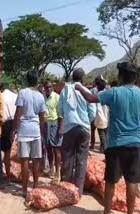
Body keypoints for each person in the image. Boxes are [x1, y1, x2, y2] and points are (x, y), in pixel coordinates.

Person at [75, 62, 140, 214]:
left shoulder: (114, 93)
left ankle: (107, 211)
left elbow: (90, 98)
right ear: (135, 78)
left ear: (121, 76)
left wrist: (79, 87)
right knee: (132, 181)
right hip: (135, 145)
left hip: (115, 145)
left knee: (110, 181)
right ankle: (130, 212)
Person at [58, 68, 96, 196]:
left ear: (72, 77)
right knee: (81, 160)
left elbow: (60, 110)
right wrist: (85, 121)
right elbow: (93, 111)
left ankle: (66, 188)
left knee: (68, 158)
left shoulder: (65, 90)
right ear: (82, 78)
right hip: (84, 129)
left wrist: (69, 117)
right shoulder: (86, 91)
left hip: (69, 128)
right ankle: (78, 190)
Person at [11, 71, 46, 197]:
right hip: (35, 130)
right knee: (36, 160)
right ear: (37, 81)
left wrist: (14, 130)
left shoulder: (22, 93)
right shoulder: (41, 96)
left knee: (25, 161)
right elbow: (42, 117)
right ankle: (35, 186)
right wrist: (41, 131)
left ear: (27, 80)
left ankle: (24, 189)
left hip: (24, 130)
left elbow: (18, 114)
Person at [43, 81, 63, 182]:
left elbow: (61, 114)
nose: (49, 89)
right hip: (45, 124)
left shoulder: (56, 97)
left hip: (54, 123)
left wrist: (60, 128)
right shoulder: (42, 97)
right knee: (48, 147)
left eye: (50, 87)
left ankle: (58, 172)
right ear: (44, 88)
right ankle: (51, 168)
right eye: (47, 87)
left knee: (56, 148)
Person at [0, 83, 17, 184]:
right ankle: (8, 177)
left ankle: (2, 176)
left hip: (3, 124)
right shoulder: (15, 96)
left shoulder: (1, 96)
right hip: (12, 124)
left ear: (2, 89)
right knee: (8, 152)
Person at [93, 76, 109, 152]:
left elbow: (97, 110)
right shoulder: (108, 94)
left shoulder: (98, 96)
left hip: (101, 120)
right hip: (107, 119)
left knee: (103, 138)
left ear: (97, 87)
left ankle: (106, 153)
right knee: (106, 136)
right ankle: (102, 149)